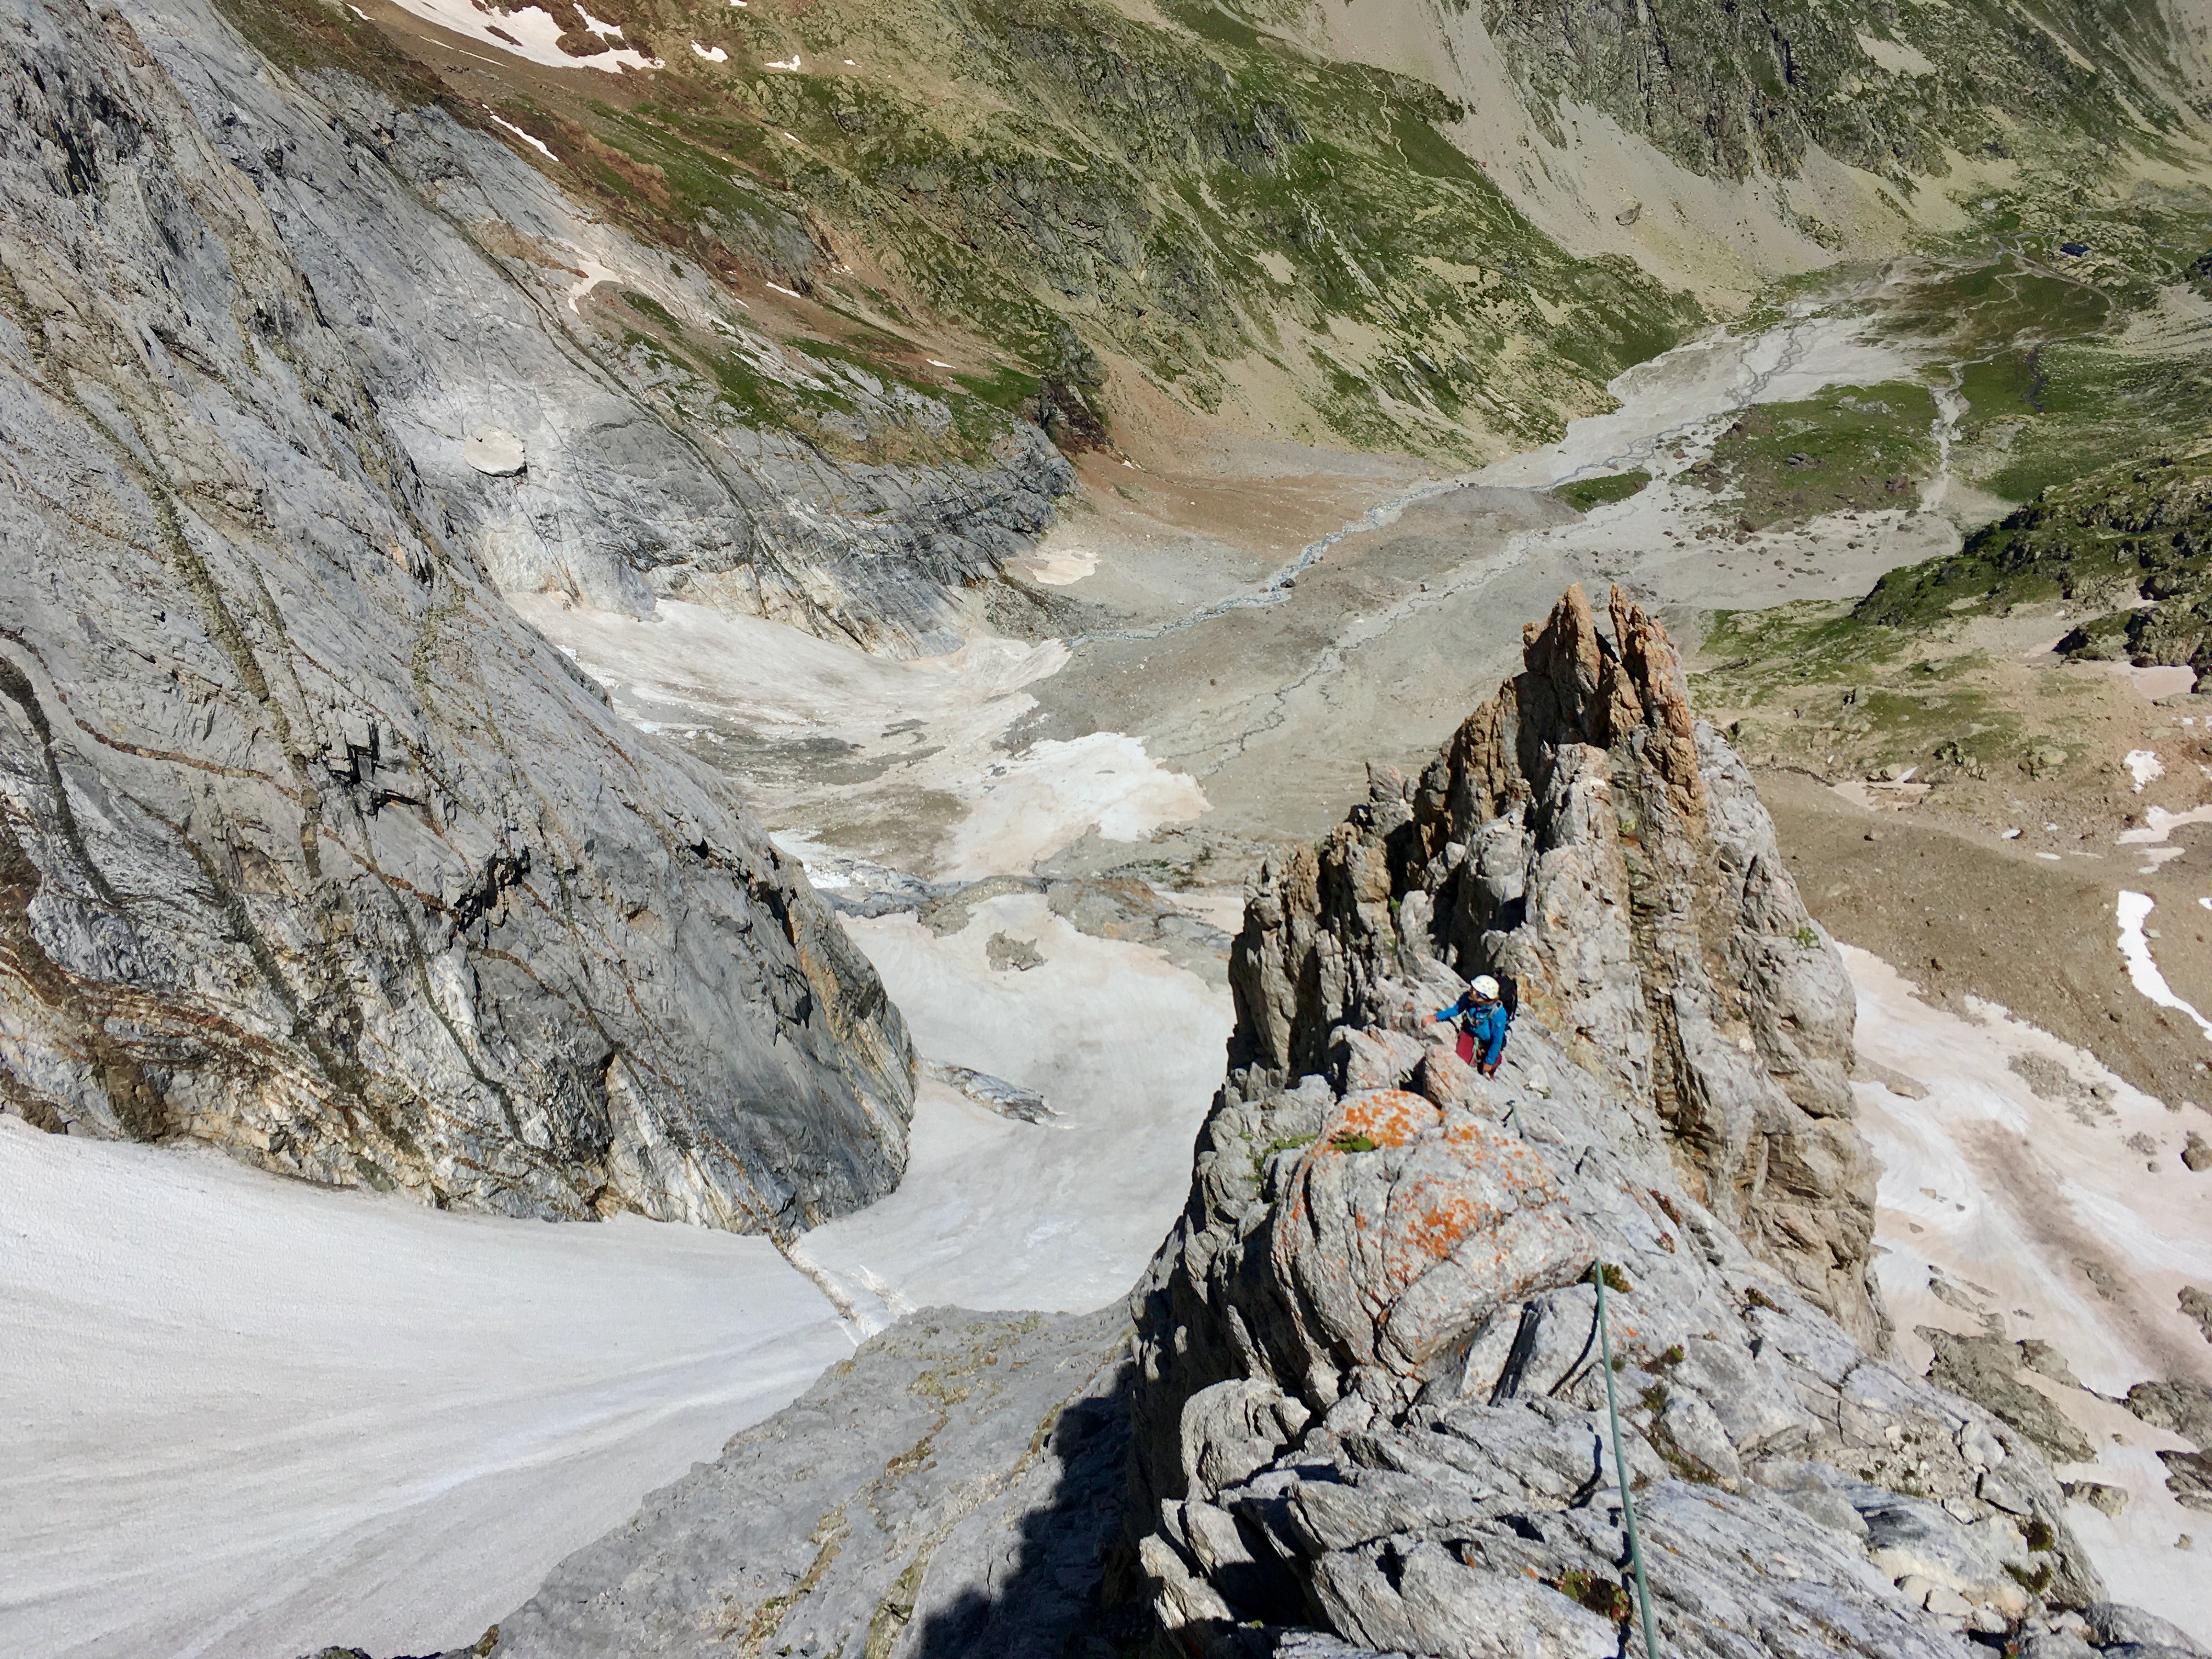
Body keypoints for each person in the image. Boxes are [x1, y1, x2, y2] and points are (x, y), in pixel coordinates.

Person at [1435, 975, 1509, 1077]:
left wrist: (1489, 1062)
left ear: (1483, 997)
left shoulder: (1499, 1014)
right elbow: (1456, 1009)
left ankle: (1488, 1067)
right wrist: (1436, 1017)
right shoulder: (1469, 998)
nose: (1470, 990)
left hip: (1487, 1042)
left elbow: (1497, 1040)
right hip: (1469, 1032)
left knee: (1489, 1064)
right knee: (1461, 1060)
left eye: (1474, 990)